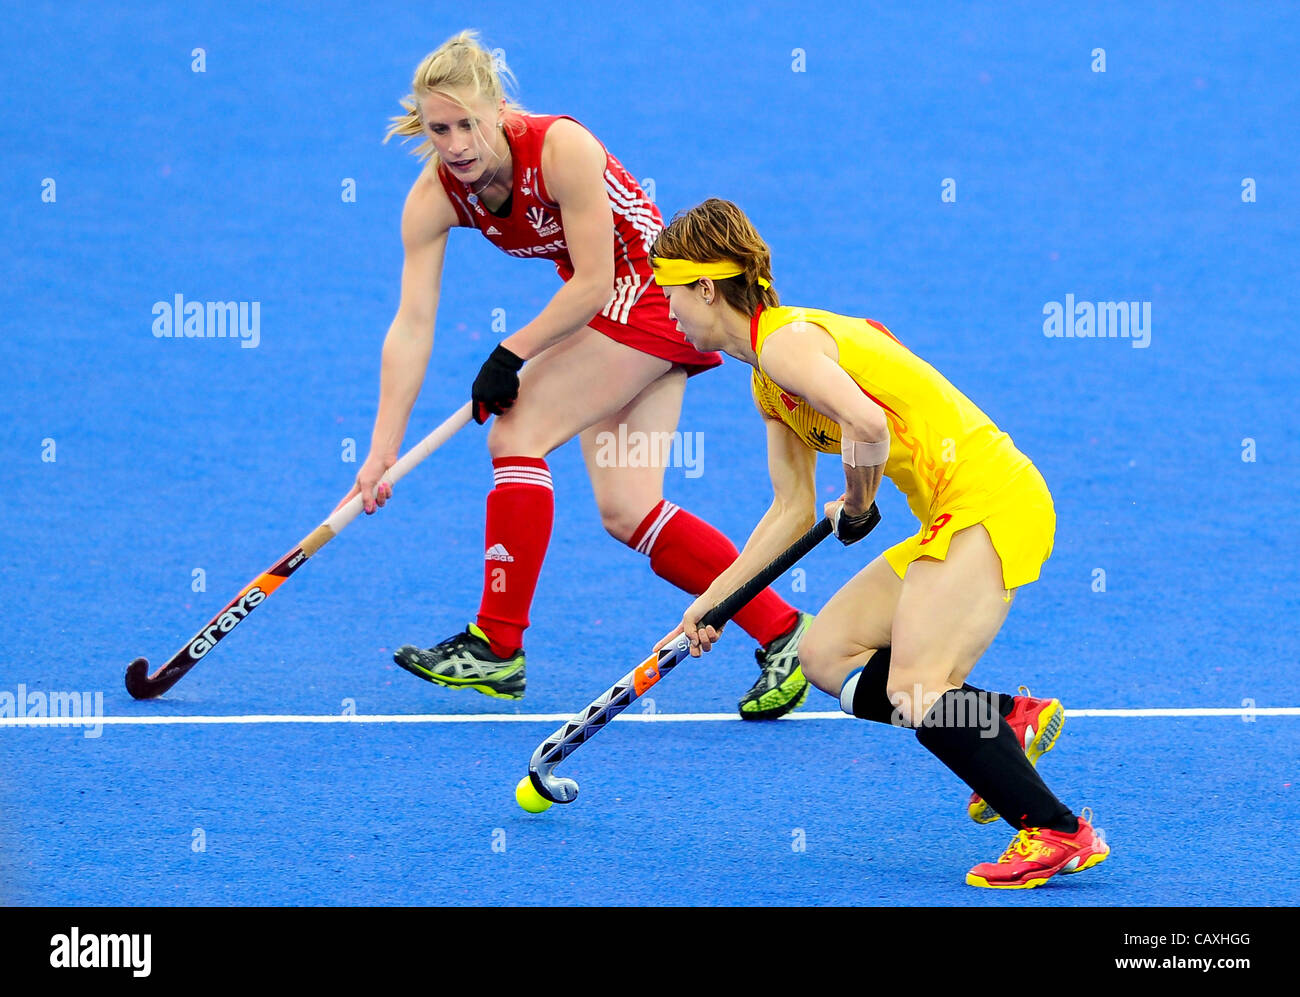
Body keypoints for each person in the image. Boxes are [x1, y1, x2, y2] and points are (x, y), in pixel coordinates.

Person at [340, 32, 812, 719]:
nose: (457, 143)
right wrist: (383, 446)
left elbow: (595, 281)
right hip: (616, 309)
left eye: (469, 123)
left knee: (517, 431)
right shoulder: (434, 197)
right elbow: (412, 324)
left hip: (651, 293)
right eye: (439, 128)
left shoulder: (562, 149)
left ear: (499, 109)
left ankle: (497, 646)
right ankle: (784, 631)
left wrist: (511, 353)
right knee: (629, 509)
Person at [649, 198, 1109, 888]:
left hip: (990, 499)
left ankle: (1055, 829)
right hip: (949, 516)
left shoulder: (786, 340)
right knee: (823, 653)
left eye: (671, 293)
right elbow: (790, 509)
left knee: (919, 689)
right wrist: (710, 605)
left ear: (707, 288)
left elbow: (867, 425)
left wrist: (861, 503)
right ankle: (1002, 718)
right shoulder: (767, 381)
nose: (669, 310)